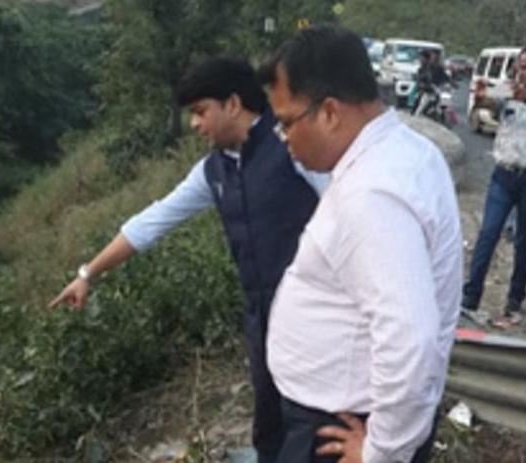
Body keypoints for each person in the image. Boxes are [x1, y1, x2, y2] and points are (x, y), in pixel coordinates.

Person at [47, 57, 329, 463]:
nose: (195, 124)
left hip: (318, 315)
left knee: (312, 426)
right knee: (270, 423)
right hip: (262, 317)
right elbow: (153, 221)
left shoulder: (294, 148)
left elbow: (349, 211)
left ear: (233, 104)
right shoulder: (214, 170)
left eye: (200, 111)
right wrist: (88, 273)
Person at [260, 25, 462, 463]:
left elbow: (410, 339)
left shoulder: (371, 193)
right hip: (349, 411)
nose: (284, 138)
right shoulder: (407, 150)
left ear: (330, 112)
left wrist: (381, 451)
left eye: (286, 123)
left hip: (340, 426)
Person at [461, 43, 526, 328]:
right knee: (488, 233)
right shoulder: (507, 90)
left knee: (524, 240)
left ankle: (515, 300)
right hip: (504, 174)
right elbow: (490, 106)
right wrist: (481, 98)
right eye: (522, 67)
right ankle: (470, 297)